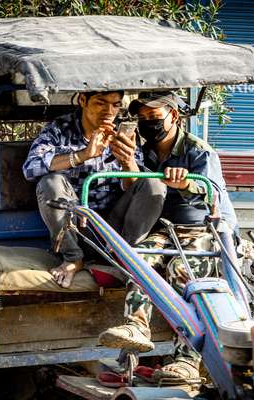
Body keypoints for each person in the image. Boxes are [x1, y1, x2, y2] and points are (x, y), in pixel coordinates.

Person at [98, 92, 238, 383]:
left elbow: (212, 190)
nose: (149, 123)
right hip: (165, 230)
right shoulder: (144, 150)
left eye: (155, 117)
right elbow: (133, 187)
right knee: (139, 258)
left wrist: (186, 180)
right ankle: (136, 328)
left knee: (180, 270)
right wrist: (128, 165)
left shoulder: (198, 151)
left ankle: (188, 359)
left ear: (174, 116)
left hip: (202, 230)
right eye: (144, 118)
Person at [22, 91, 166, 288]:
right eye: (101, 103)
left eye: (115, 105)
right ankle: (73, 259)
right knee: (50, 182)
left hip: (114, 229)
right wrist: (82, 155)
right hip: (76, 227)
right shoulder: (59, 130)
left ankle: (127, 259)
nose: (109, 111)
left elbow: (135, 188)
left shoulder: (123, 135)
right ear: (83, 100)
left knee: (153, 183)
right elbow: (30, 168)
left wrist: (128, 162)